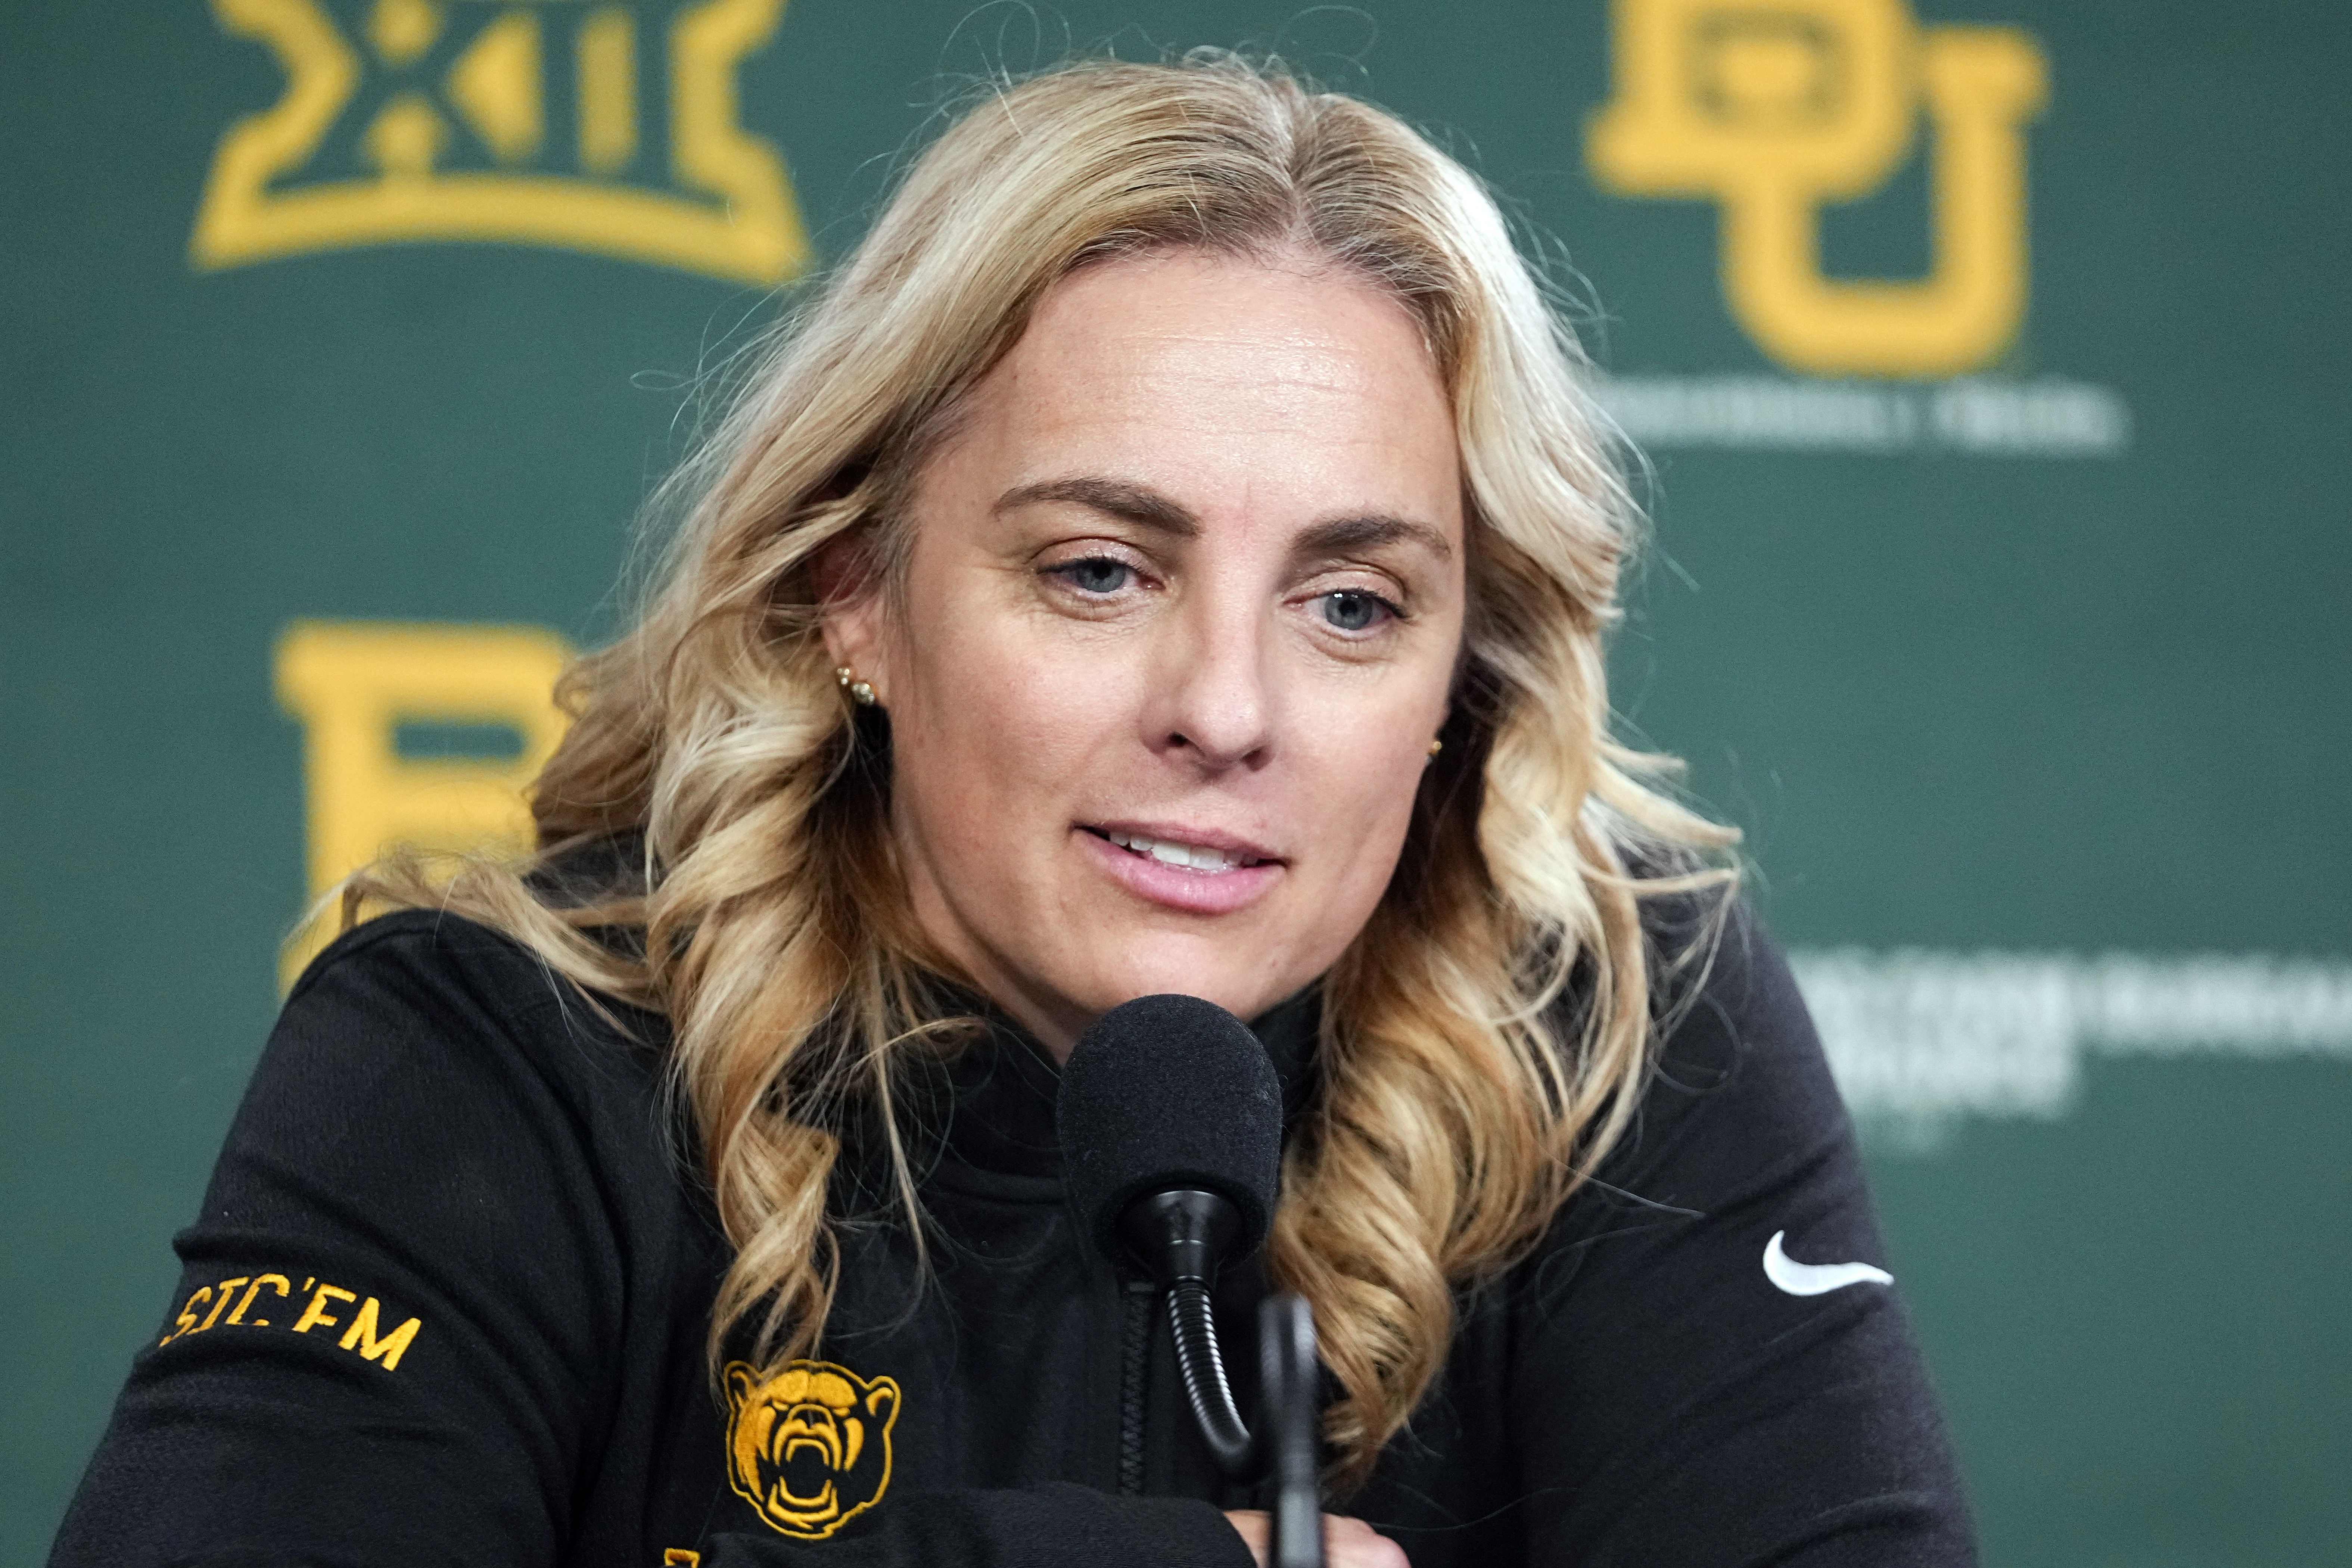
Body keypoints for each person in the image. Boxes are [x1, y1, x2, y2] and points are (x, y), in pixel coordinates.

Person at [50, 53, 1972, 1568]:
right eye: (1097, 572)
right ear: (855, 594)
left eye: (1354, 605)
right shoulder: (496, 1047)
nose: (1226, 709)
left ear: (1462, 690)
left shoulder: (1622, 1019)